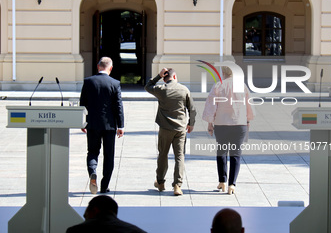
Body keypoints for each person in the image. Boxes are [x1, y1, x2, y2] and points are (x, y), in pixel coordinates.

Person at [202, 66, 254, 194]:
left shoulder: (218, 86)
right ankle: (232, 185)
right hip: (239, 123)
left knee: (222, 152)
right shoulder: (242, 86)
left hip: (222, 124)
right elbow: (249, 105)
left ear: (224, 73)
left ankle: (222, 181)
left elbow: (211, 105)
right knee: (236, 155)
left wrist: (210, 123)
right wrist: (247, 121)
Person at [145, 68, 197, 196]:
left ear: (164, 78)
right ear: (175, 77)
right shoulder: (184, 90)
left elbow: (148, 86)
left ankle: (161, 182)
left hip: (165, 128)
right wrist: (191, 123)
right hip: (180, 129)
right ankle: (177, 186)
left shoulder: (161, 90)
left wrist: (157, 76)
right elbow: (192, 109)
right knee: (179, 156)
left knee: (163, 155)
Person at [80, 57, 124, 194]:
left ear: (98, 66)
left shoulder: (88, 82)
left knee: (92, 151)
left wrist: (82, 121)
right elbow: (118, 106)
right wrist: (121, 125)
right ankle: (104, 186)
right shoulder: (115, 83)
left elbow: (82, 103)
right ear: (110, 68)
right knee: (108, 155)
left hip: (92, 124)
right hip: (109, 125)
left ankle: (92, 171)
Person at [66, 195, 146, 233]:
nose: (85, 218)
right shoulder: (137, 231)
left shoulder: (76, 231)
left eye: (86, 216)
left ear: (95, 210)